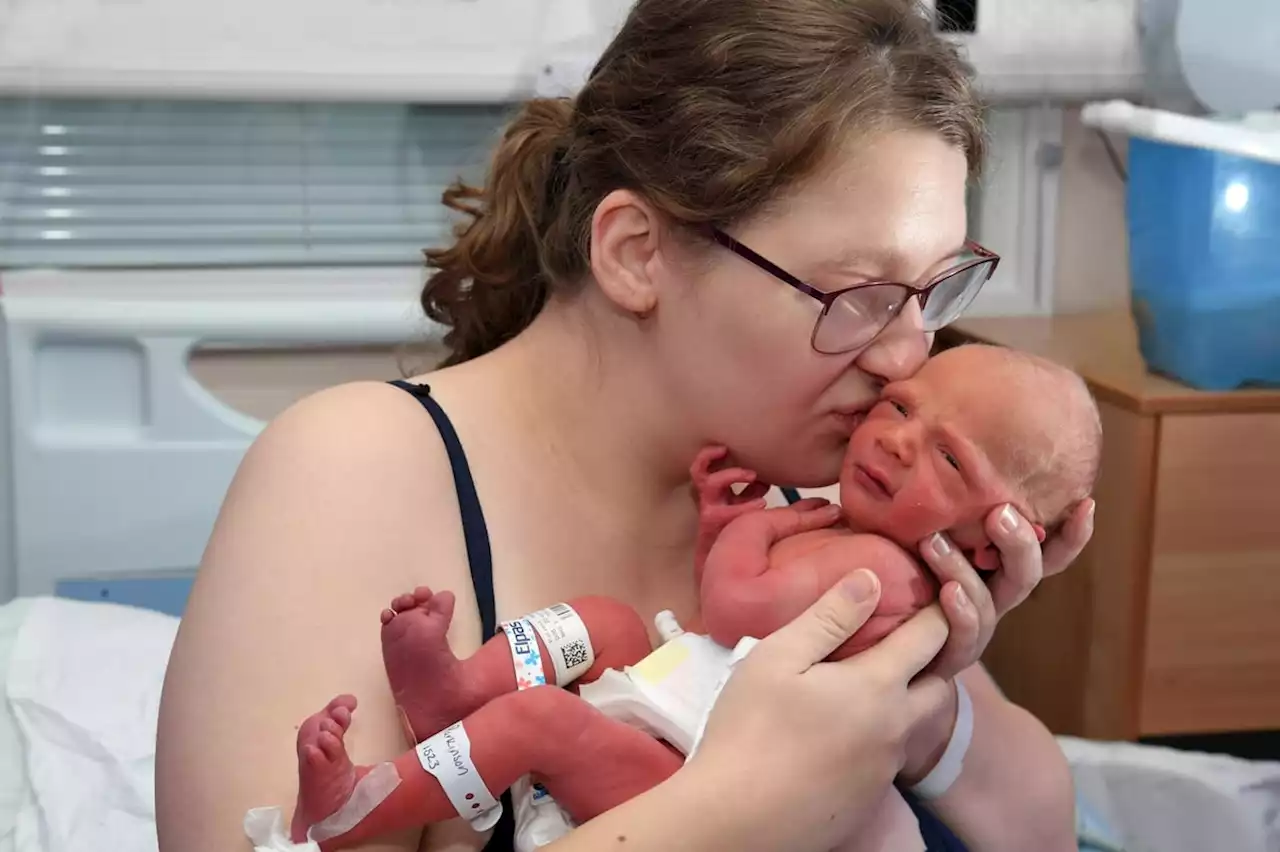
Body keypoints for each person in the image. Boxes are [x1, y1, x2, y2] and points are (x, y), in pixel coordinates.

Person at [154, 0, 1096, 850]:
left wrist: (922, 693)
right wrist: (737, 808)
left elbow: (1040, 822)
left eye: (934, 291)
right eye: (861, 296)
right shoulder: (353, 473)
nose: (907, 357)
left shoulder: (827, 477)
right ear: (636, 254)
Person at [266, 343, 1101, 852]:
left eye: (949, 460)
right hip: (683, 712)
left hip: (683, 768)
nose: (892, 432)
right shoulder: (849, 526)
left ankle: (359, 804)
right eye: (900, 406)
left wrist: (743, 535)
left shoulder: (889, 574)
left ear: (993, 538)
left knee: (543, 723)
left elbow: (737, 611)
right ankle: (455, 690)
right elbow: (730, 624)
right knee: (608, 622)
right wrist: (732, 522)